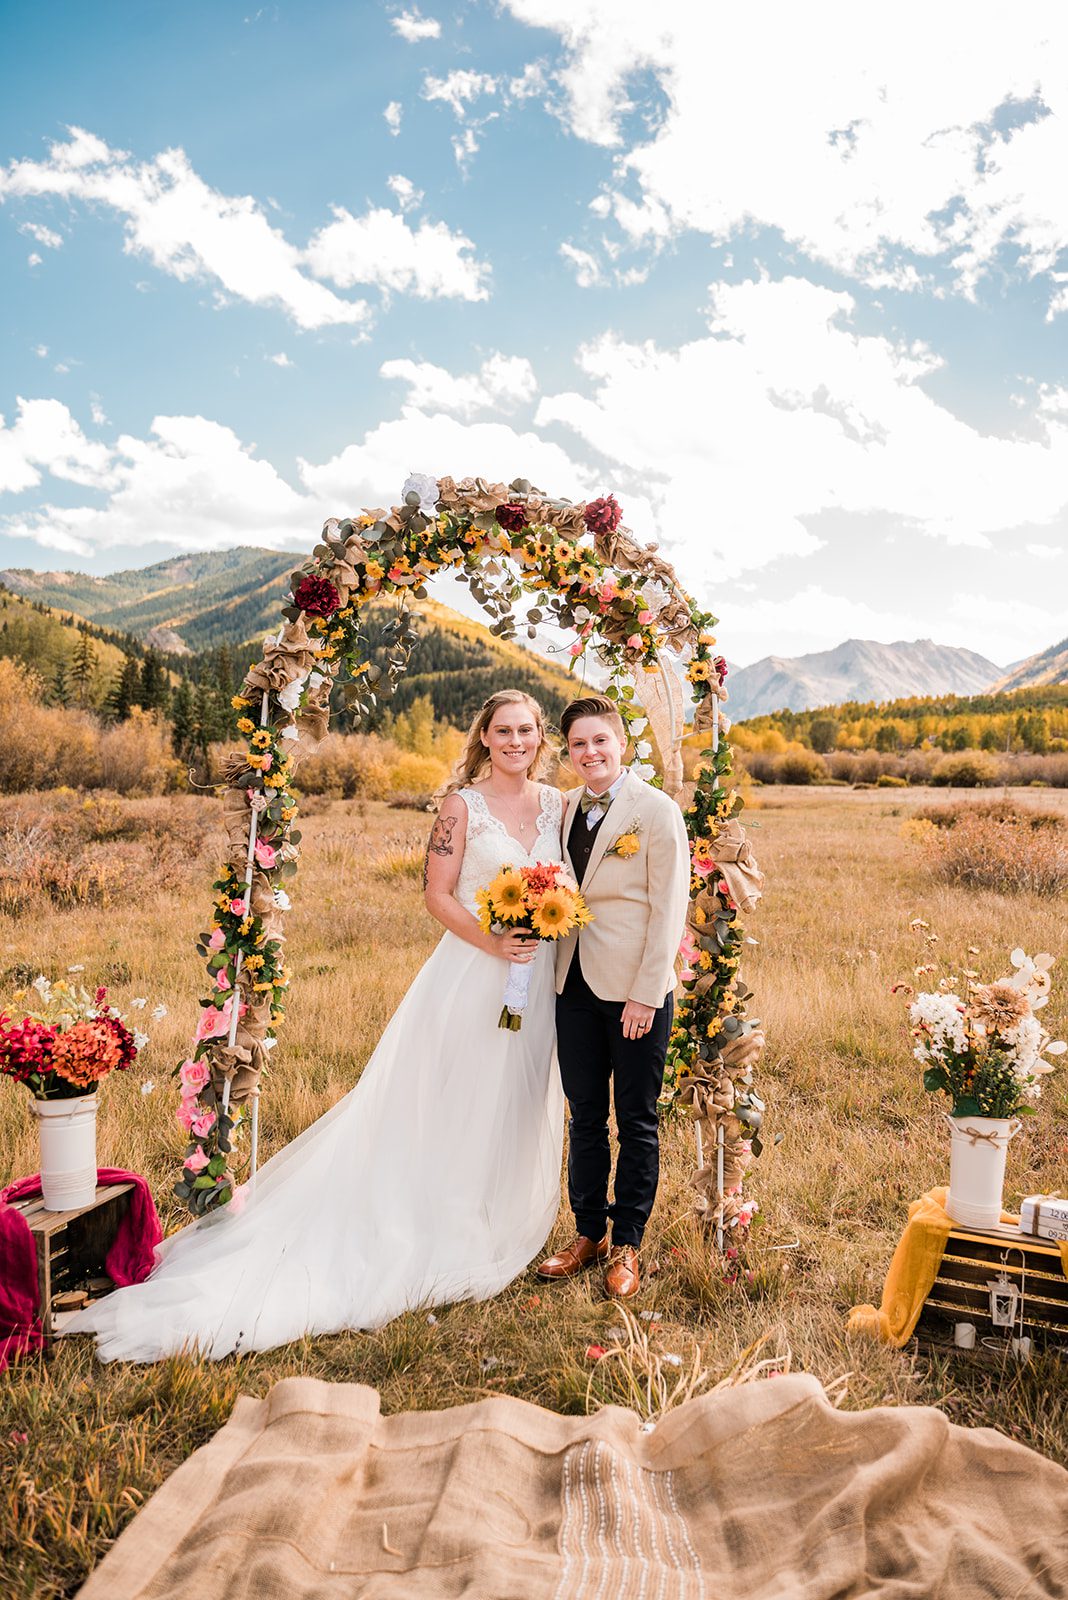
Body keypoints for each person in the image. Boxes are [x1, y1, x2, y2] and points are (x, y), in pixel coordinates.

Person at [70, 690, 565, 1360]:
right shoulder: (461, 806)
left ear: (541, 736)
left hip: (538, 982)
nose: (514, 741)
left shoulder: (558, 805)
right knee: (453, 1100)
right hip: (474, 976)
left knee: (515, 1099)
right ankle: (436, 1221)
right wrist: (494, 943)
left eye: (525, 730)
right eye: (502, 730)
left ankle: (491, 1211)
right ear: (484, 735)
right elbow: (437, 895)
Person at [539, 694, 691, 1300]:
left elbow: (668, 910)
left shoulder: (655, 811)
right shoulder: (564, 806)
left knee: (636, 1119)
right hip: (570, 983)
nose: (589, 753)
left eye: (600, 740)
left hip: (634, 993)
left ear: (622, 743)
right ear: (568, 751)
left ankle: (627, 1241)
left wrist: (646, 995)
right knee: (584, 1119)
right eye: (578, 744)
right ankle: (587, 1233)